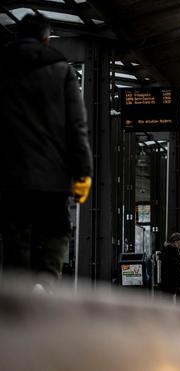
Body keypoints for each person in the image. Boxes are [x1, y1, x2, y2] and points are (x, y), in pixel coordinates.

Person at [0, 13, 93, 290]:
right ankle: (46, 284)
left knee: (15, 234)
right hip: (53, 173)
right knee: (56, 230)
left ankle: (17, 295)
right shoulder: (61, 68)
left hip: (9, 173)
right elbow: (76, 125)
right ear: (46, 37)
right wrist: (83, 172)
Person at [160, 233, 180, 301]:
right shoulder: (170, 251)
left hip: (171, 283)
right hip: (170, 283)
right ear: (175, 241)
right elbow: (172, 266)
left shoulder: (171, 250)